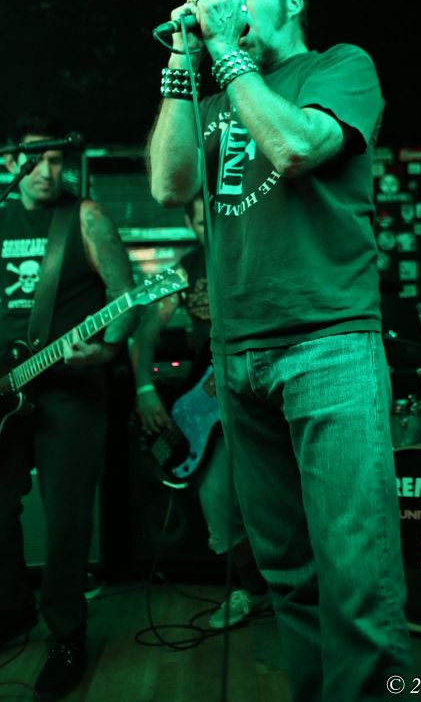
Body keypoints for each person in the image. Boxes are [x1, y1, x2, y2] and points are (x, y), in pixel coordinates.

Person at [147, 0, 412, 701]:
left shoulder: (340, 67)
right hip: (239, 356)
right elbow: (169, 184)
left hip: (328, 345)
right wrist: (184, 60)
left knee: (356, 577)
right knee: (289, 579)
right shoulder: (214, 98)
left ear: (291, 1)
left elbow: (296, 147)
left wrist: (228, 54)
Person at [0, 112, 137, 701]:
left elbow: (127, 297)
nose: (47, 171)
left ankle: (67, 634)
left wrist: (102, 352)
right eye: (36, 159)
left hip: (69, 388)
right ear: (11, 162)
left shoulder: (85, 217)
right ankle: (12, 612)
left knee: (66, 522)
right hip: (4, 393)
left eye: (57, 160)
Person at [130, 194, 269, 628]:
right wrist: (145, 389)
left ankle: (298, 593)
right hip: (207, 400)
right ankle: (254, 591)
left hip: (259, 393)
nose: (211, 226)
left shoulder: (259, 253)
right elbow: (146, 330)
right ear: (192, 226)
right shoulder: (185, 269)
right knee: (216, 502)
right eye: (201, 221)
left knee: (276, 497)